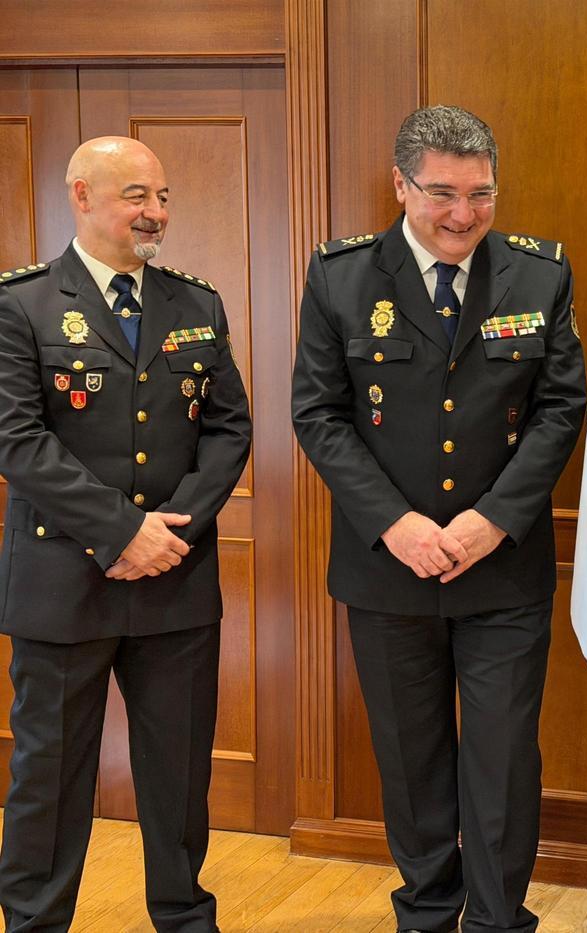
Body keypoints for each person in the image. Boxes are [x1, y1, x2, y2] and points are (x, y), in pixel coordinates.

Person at [291, 105, 585, 933]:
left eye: (482, 195)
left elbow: (562, 409)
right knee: (412, 762)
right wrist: (397, 524)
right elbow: (318, 413)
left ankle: (498, 921)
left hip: (502, 570)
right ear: (401, 185)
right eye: (443, 194)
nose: (463, 215)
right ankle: (425, 915)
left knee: (500, 763)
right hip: (388, 569)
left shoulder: (539, 274)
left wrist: (492, 519)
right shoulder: (341, 276)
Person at [0, 136, 251, 932]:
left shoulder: (196, 302)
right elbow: (16, 438)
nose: (156, 213)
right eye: (137, 195)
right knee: (49, 779)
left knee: (177, 777)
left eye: (165, 197)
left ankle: (184, 918)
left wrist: (168, 530)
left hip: (175, 578)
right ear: (80, 195)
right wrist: (121, 531)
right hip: (62, 582)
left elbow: (228, 428)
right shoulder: (22, 304)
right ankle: (36, 922)